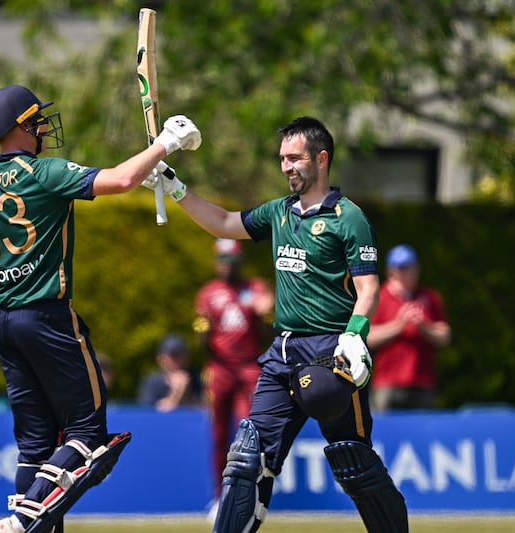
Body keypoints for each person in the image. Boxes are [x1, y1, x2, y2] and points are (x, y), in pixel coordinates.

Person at [0, 84, 201, 533]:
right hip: (48, 320)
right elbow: (120, 180)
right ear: (21, 126)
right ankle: (21, 520)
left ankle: (24, 520)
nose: (43, 127)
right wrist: (164, 145)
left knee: (35, 446)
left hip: (4, 325)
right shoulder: (44, 172)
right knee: (88, 434)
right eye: (37, 119)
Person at [143, 116, 408, 532]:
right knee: (247, 461)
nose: (286, 166)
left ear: (321, 159)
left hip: (331, 354)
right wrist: (175, 188)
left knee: (353, 461)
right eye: (282, 158)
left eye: (295, 158)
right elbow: (224, 223)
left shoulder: (348, 218)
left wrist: (355, 335)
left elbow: (368, 288)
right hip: (282, 352)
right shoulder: (278, 213)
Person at [194, 238, 274, 504]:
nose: (226, 266)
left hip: (249, 367)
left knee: (248, 431)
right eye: (222, 260)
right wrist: (203, 329)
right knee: (218, 434)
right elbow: (201, 341)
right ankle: (220, 497)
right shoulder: (208, 293)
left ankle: (247, 494)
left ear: (240, 262)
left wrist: (265, 314)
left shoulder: (254, 288)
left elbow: (268, 331)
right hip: (220, 368)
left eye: (231, 260)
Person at [367, 244, 451, 411]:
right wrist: (399, 326)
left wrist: (423, 326)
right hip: (387, 383)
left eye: (410, 267)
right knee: (385, 425)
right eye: (401, 268)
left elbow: (445, 336)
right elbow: (367, 337)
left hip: (423, 382)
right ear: (391, 271)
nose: (407, 273)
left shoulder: (429, 297)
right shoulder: (379, 297)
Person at [137, 333, 203, 412]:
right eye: (173, 355)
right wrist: (175, 395)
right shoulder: (152, 382)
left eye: (181, 355)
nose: (177, 360)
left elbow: (205, 410)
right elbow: (146, 412)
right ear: (161, 359)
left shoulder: (197, 379)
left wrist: (185, 392)